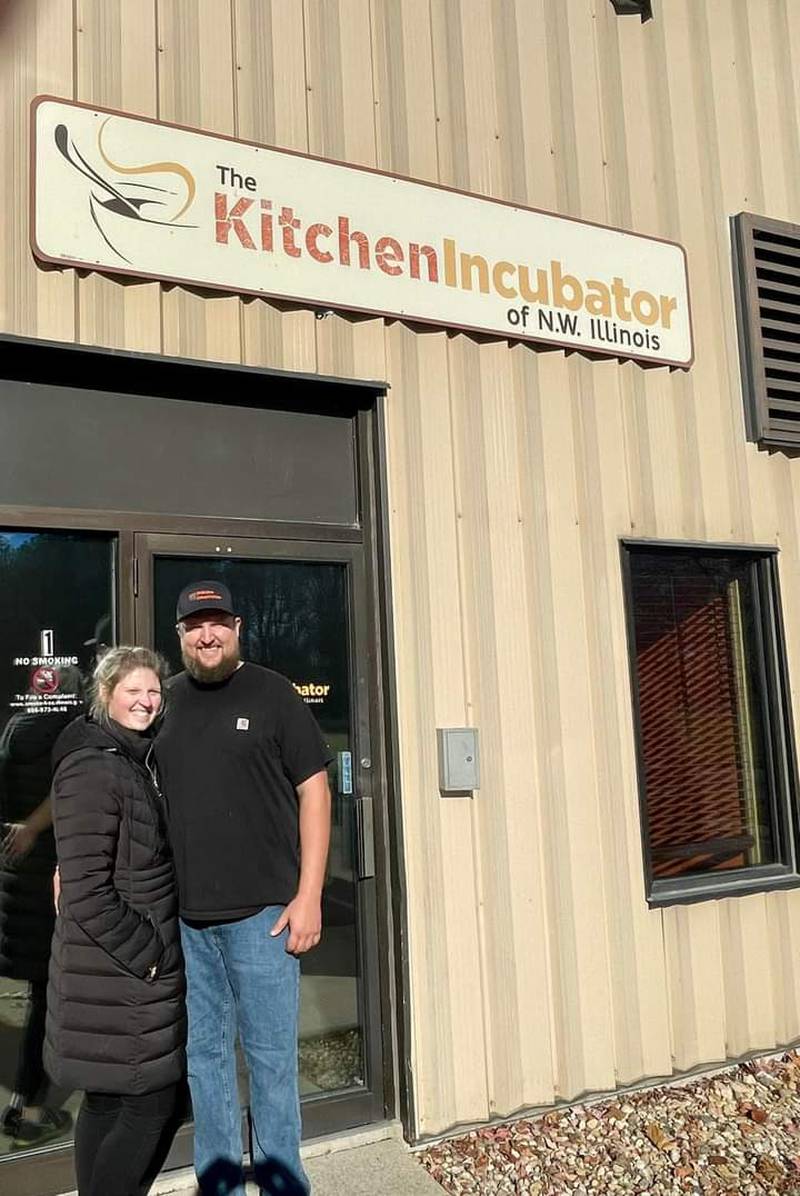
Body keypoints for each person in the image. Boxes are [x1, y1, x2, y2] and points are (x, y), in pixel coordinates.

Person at [155, 580, 332, 1196]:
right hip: (188, 921)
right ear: (180, 635)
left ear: (237, 628)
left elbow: (315, 792)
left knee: (271, 1061)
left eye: (217, 622)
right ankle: (221, 1182)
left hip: (265, 918)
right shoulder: (165, 703)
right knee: (204, 1061)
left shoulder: (274, 694)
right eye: (195, 625)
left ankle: (284, 1183)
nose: (207, 634)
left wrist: (309, 895)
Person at [44, 647, 186, 1196]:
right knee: (151, 1103)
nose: (146, 701)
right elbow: (85, 892)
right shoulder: (94, 767)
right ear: (106, 695)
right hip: (121, 976)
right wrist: (150, 955)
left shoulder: (129, 757)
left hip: (114, 978)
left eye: (153, 691)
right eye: (133, 691)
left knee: (106, 1102)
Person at [0, 676, 80, 1148]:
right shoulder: (70, 731)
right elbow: (67, 791)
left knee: (41, 992)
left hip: (17, 875)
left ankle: (21, 1103)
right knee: (51, 995)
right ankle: (29, 1110)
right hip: (49, 872)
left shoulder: (13, 728)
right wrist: (33, 827)